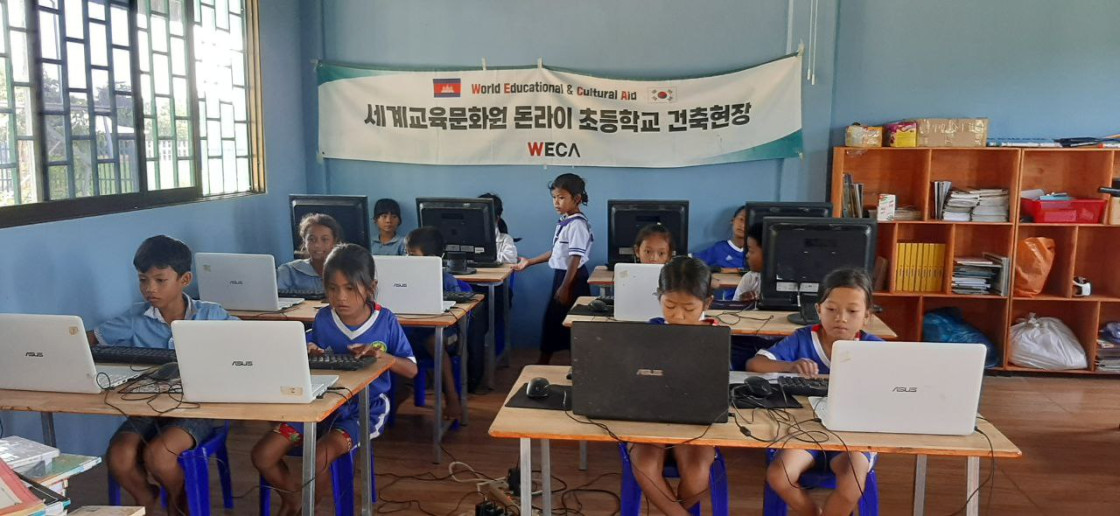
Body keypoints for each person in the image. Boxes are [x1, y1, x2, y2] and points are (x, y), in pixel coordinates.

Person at [251, 244, 418, 516]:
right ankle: (295, 500)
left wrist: (382, 356)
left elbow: (411, 370)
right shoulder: (324, 318)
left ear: (371, 287)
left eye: (350, 288)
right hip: (321, 404)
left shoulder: (385, 320)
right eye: (332, 288)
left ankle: (308, 509)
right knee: (263, 454)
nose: (341, 297)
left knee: (319, 456)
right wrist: (308, 351)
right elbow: (309, 356)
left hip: (365, 410)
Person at [91, 235, 236, 515]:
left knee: (159, 455)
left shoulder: (211, 315)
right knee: (119, 456)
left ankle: (179, 501)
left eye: (160, 280)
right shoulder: (134, 319)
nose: (150, 288)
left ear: (185, 279)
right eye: (143, 280)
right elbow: (91, 340)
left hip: (196, 409)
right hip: (146, 408)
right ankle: (146, 496)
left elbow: (252, 339)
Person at [746, 268, 883, 516]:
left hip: (853, 437)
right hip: (805, 432)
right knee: (779, 476)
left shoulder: (876, 349)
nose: (841, 318)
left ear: (867, 316)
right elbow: (755, 364)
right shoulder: (803, 339)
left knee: (852, 485)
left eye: (852, 311)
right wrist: (790, 366)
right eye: (831, 309)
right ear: (819, 309)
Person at [631, 256, 719, 515]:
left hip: (695, 423)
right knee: (645, 466)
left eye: (689, 308)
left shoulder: (714, 337)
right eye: (669, 305)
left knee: (698, 474)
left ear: (707, 303)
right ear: (659, 297)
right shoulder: (649, 333)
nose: (678, 315)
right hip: (649, 418)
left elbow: (718, 383)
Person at [512, 173, 593, 364]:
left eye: (562, 197)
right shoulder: (566, 220)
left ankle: (571, 366)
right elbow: (557, 253)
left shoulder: (577, 225)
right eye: (554, 197)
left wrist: (565, 287)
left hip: (573, 279)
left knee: (572, 325)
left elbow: (575, 258)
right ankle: (544, 362)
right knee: (553, 322)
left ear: (577, 199)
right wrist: (529, 262)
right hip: (563, 276)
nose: (556, 202)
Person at [404, 226, 470, 420]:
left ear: (431, 258)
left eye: (412, 255)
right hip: (413, 333)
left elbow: (458, 310)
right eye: (406, 254)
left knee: (433, 340)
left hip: (446, 336)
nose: (407, 259)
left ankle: (452, 397)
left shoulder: (446, 280)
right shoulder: (403, 278)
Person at [277, 213, 344, 292]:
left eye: (324, 239)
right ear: (304, 241)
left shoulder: (347, 271)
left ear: (334, 242)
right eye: (311, 239)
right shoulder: (290, 271)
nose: (317, 245)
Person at [693, 206, 747, 270]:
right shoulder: (719, 249)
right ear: (733, 220)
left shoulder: (756, 252)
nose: (743, 225)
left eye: (747, 221)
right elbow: (689, 261)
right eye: (741, 219)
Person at [480, 192, 518, 264]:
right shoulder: (467, 237)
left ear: (497, 218)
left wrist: (481, 256)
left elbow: (511, 258)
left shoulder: (505, 239)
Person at [732, 223, 764, 302]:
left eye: (751, 251)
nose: (747, 255)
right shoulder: (749, 278)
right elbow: (734, 304)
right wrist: (742, 303)